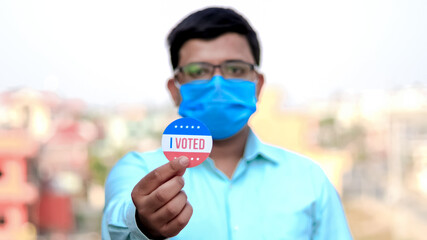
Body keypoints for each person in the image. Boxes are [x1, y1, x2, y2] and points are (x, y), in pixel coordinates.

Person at [102, 7, 353, 240]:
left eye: (235, 69)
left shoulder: (309, 180)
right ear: (175, 90)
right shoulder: (138, 171)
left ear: (258, 84)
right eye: (198, 71)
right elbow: (119, 222)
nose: (218, 84)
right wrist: (140, 222)